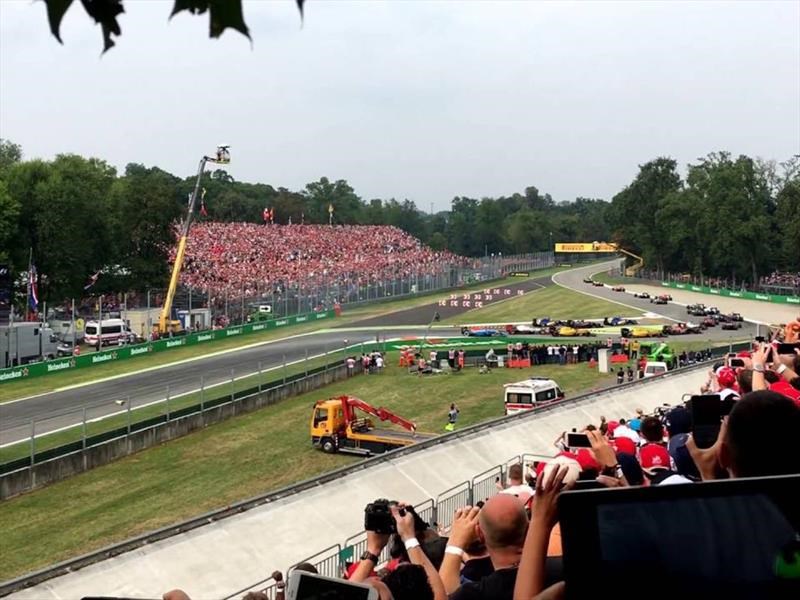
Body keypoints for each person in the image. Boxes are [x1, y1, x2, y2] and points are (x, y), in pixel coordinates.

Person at [441, 494, 529, 599]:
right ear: (528, 529)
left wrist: (454, 544)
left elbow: (442, 595)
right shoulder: (551, 571)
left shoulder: (475, 593)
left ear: (481, 535)